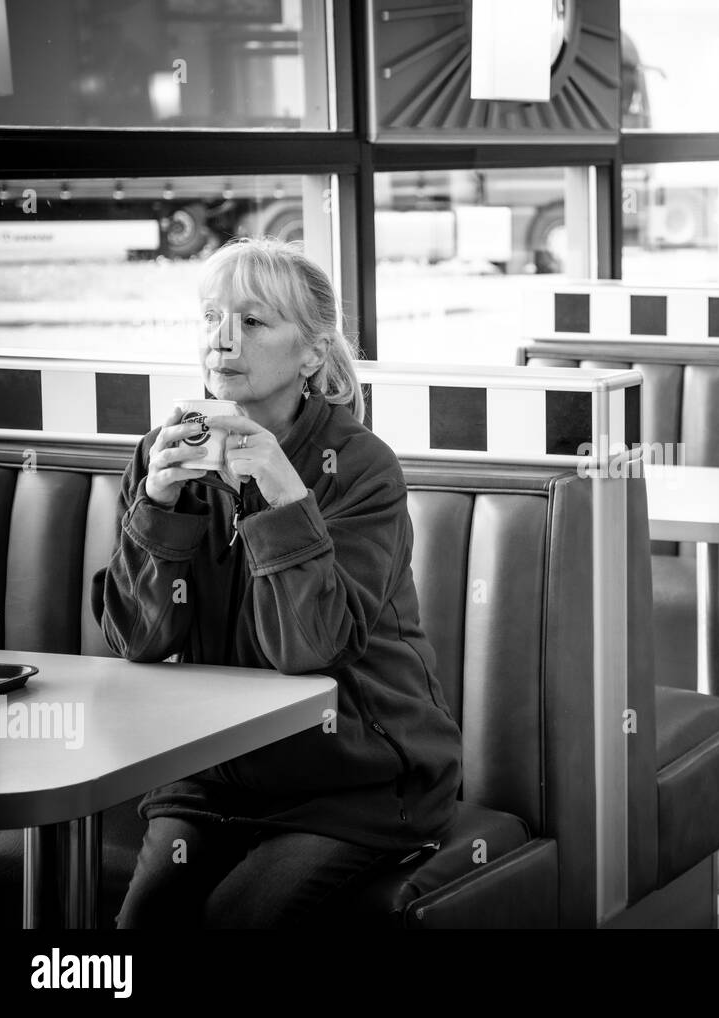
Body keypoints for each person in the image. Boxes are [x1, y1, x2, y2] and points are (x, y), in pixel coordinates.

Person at [92, 237, 462, 928]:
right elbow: (140, 641)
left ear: (312, 354)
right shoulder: (163, 453)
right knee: (145, 920)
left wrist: (284, 495)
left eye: (253, 322)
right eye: (210, 319)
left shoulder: (358, 466)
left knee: (236, 918)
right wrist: (158, 510)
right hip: (212, 772)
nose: (221, 341)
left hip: (357, 778)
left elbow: (310, 648)